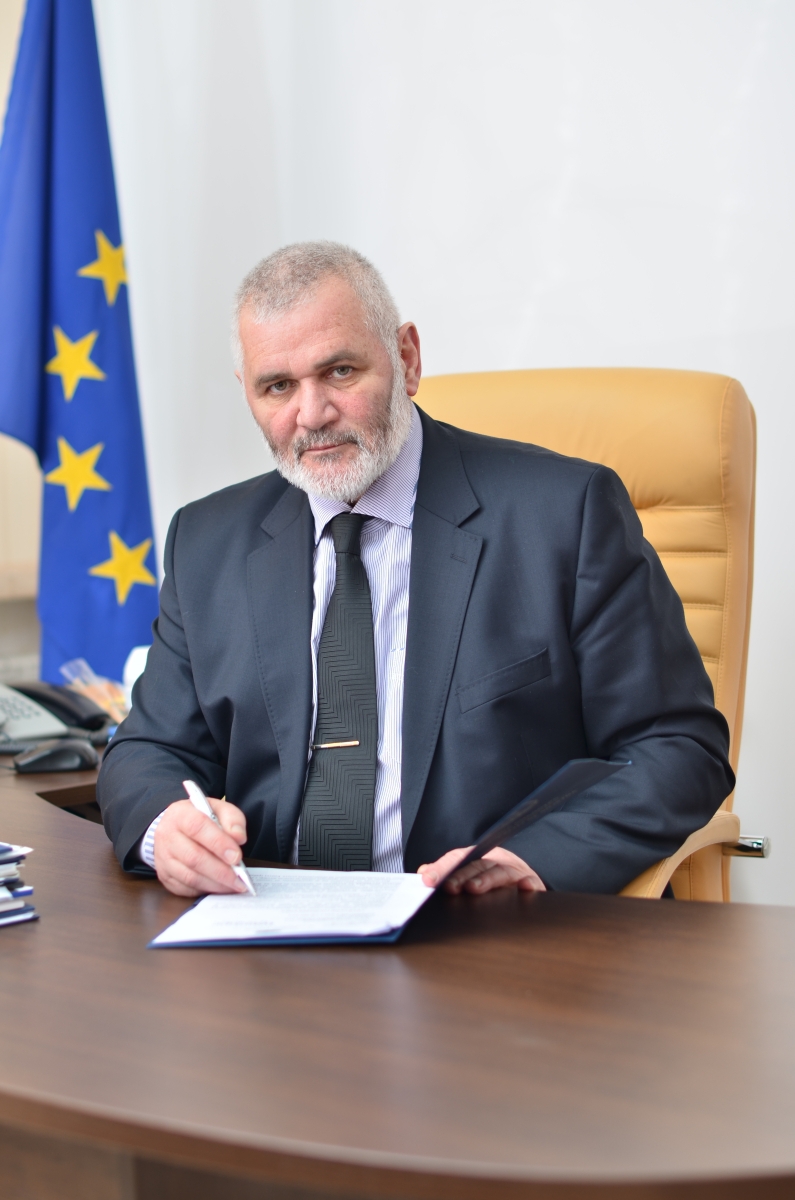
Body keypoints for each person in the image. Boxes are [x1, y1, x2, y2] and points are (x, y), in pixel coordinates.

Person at [97, 242, 734, 899]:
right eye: (278, 386)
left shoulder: (564, 515)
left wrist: (537, 858)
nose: (311, 414)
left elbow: (677, 748)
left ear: (406, 358)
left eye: (340, 371)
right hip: (267, 927)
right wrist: (166, 827)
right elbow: (148, 751)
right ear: (248, 392)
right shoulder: (206, 543)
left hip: (480, 925)